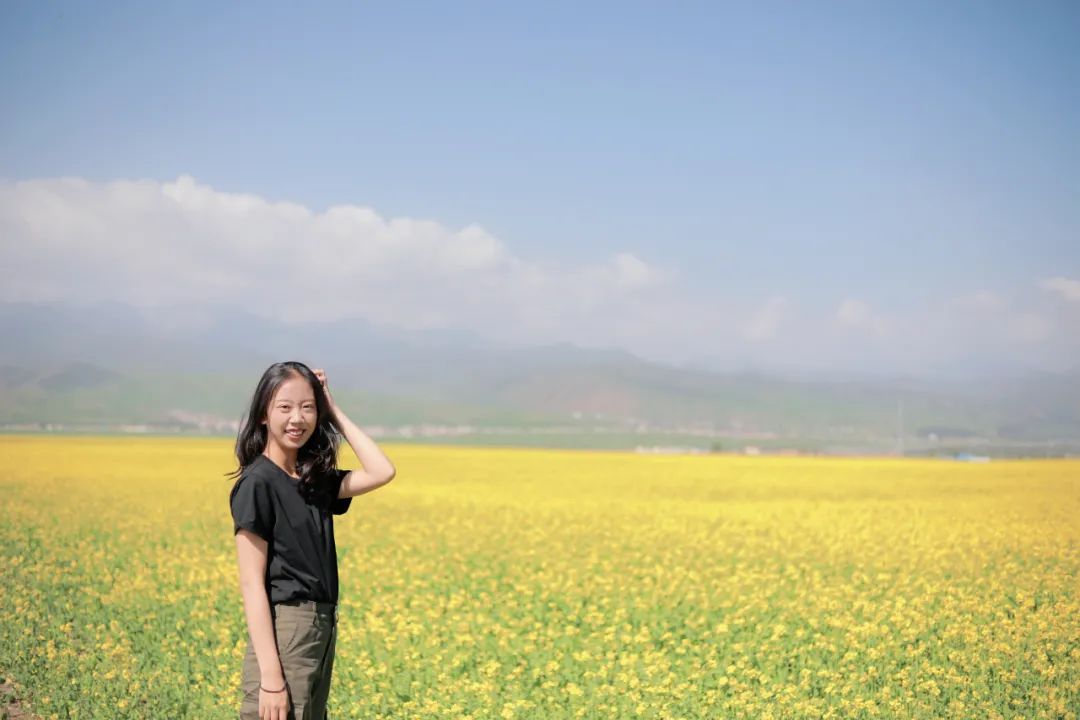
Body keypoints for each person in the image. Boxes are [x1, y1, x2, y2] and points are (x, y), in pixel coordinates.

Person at [228, 361, 396, 720]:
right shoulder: (257, 483)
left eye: (307, 407)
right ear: (263, 414)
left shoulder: (312, 480)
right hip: (286, 630)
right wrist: (271, 680)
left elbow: (382, 471)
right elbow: (251, 584)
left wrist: (333, 409)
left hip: (320, 628)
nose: (297, 419)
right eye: (284, 407)